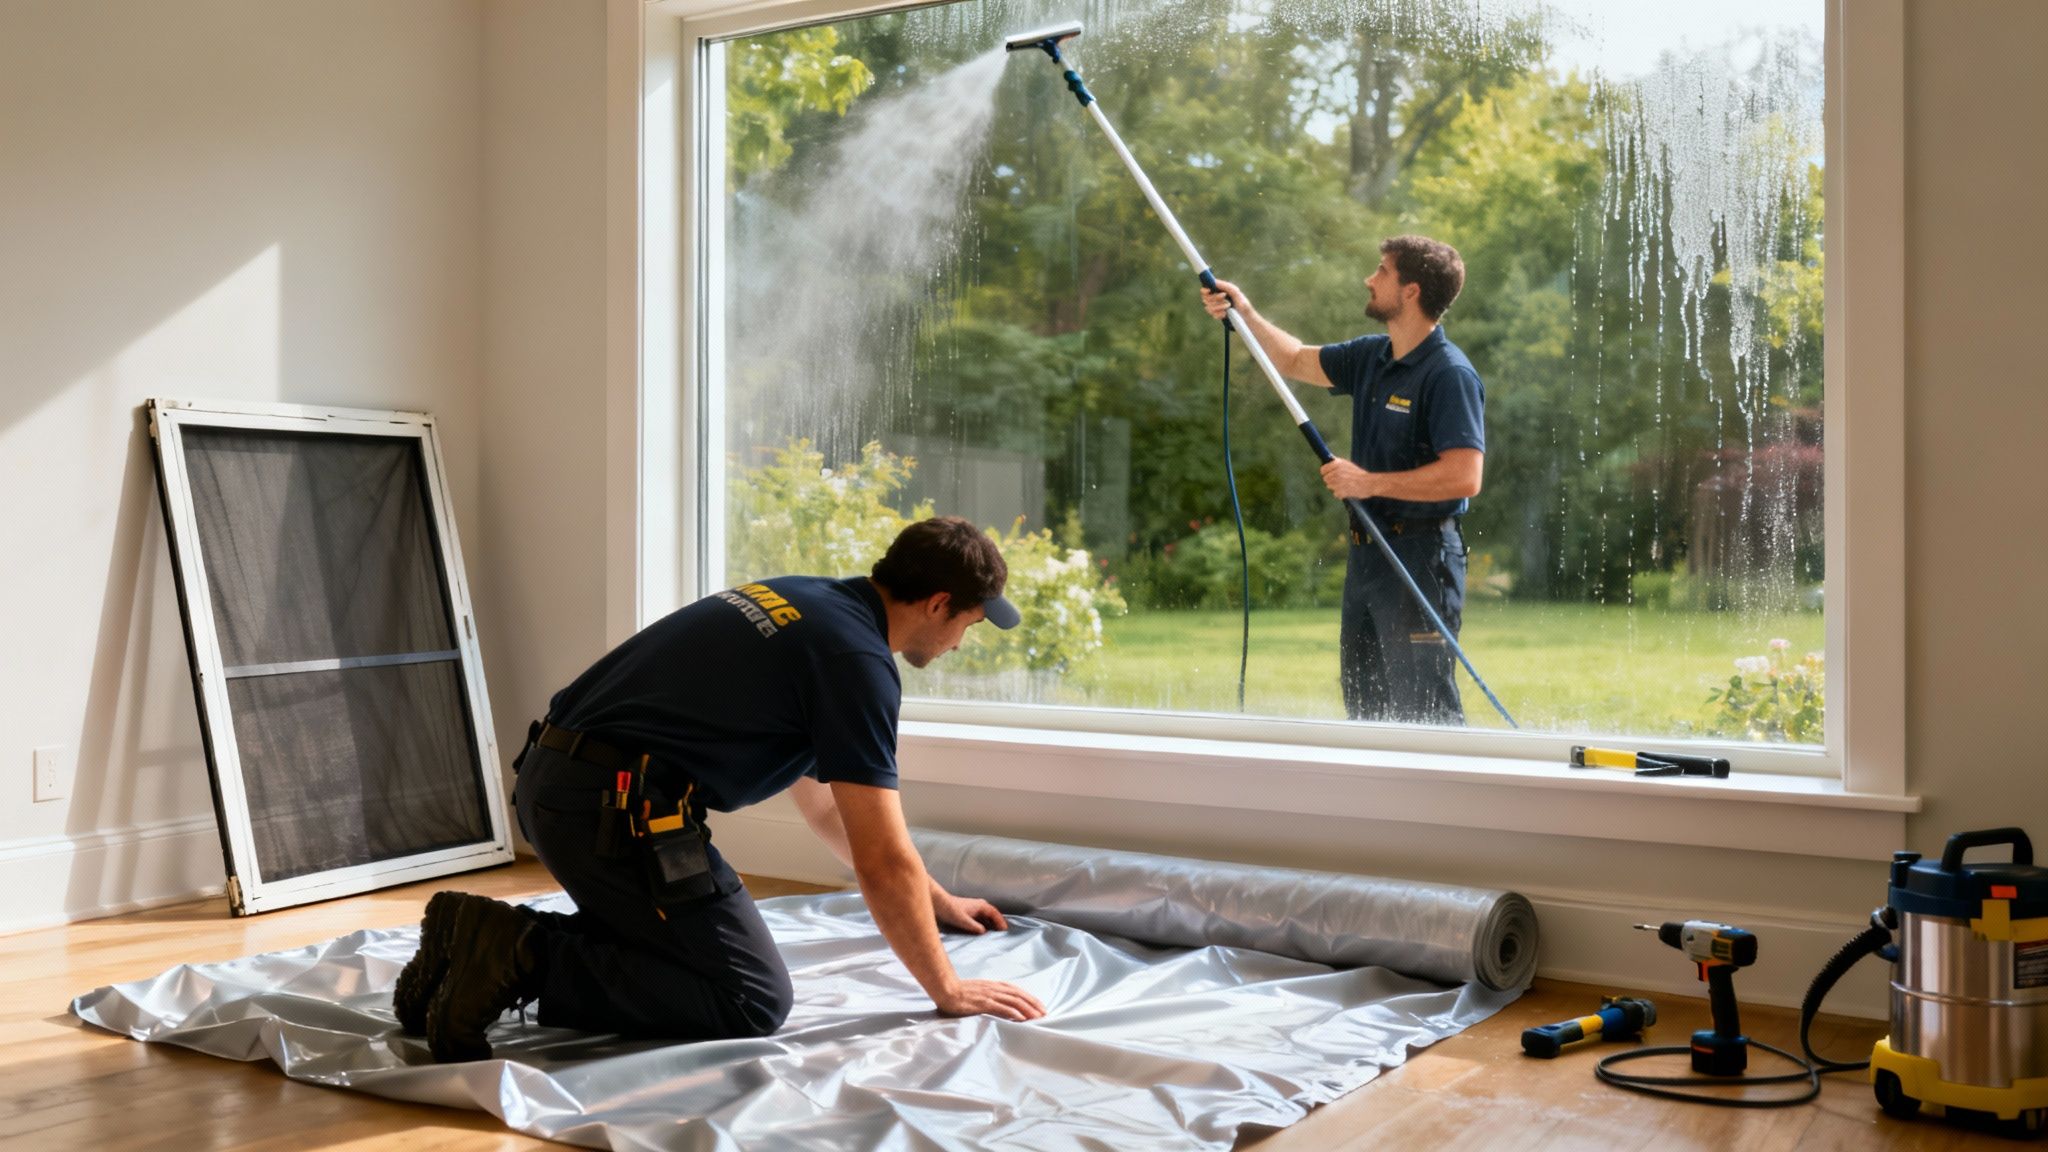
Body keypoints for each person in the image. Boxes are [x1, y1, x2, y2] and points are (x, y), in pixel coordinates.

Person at [395, 516, 1048, 1062]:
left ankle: (471, 936)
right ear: (937, 604)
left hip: (560, 786)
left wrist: (933, 901)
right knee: (749, 997)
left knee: (683, 951)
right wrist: (948, 989)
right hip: (615, 811)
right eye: (970, 623)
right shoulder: (857, 665)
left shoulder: (807, 602)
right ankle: (520, 949)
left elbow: (827, 808)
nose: (962, 642)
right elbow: (881, 857)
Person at [1201, 235, 1485, 724]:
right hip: (1368, 558)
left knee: (1425, 713)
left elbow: (1464, 476)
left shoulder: (1448, 374)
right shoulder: (1371, 357)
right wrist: (1242, 311)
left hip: (1420, 559)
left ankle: (1443, 801)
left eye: (1382, 271)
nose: (1369, 279)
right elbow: (1292, 360)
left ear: (1411, 291)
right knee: (1366, 710)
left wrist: (1369, 483)